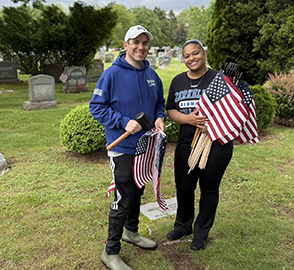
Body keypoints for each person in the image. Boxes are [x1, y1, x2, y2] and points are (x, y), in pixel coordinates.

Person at [90, 25, 166, 270]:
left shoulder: (152, 75)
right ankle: (110, 251)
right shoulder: (111, 74)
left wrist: (159, 117)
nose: (141, 47)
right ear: (126, 45)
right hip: (122, 147)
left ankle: (131, 232)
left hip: (146, 146)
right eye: (136, 42)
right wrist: (124, 122)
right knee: (123, 196)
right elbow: (96, 107)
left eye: (145, 43)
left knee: (138, 190)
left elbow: (159, 104)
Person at [165, 39, 234, 250]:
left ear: (203, 53)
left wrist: (214, 125)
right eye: (187, 56)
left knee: (209, 188)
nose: (191, 58)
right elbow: (171, 110)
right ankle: (183, 224)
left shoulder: (220, 79)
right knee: (184, 187)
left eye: (195, 53)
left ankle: (201, 232)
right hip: (187, 143)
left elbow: (235, 112)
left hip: (216, 144)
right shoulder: (177, 81)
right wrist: (189, 120)